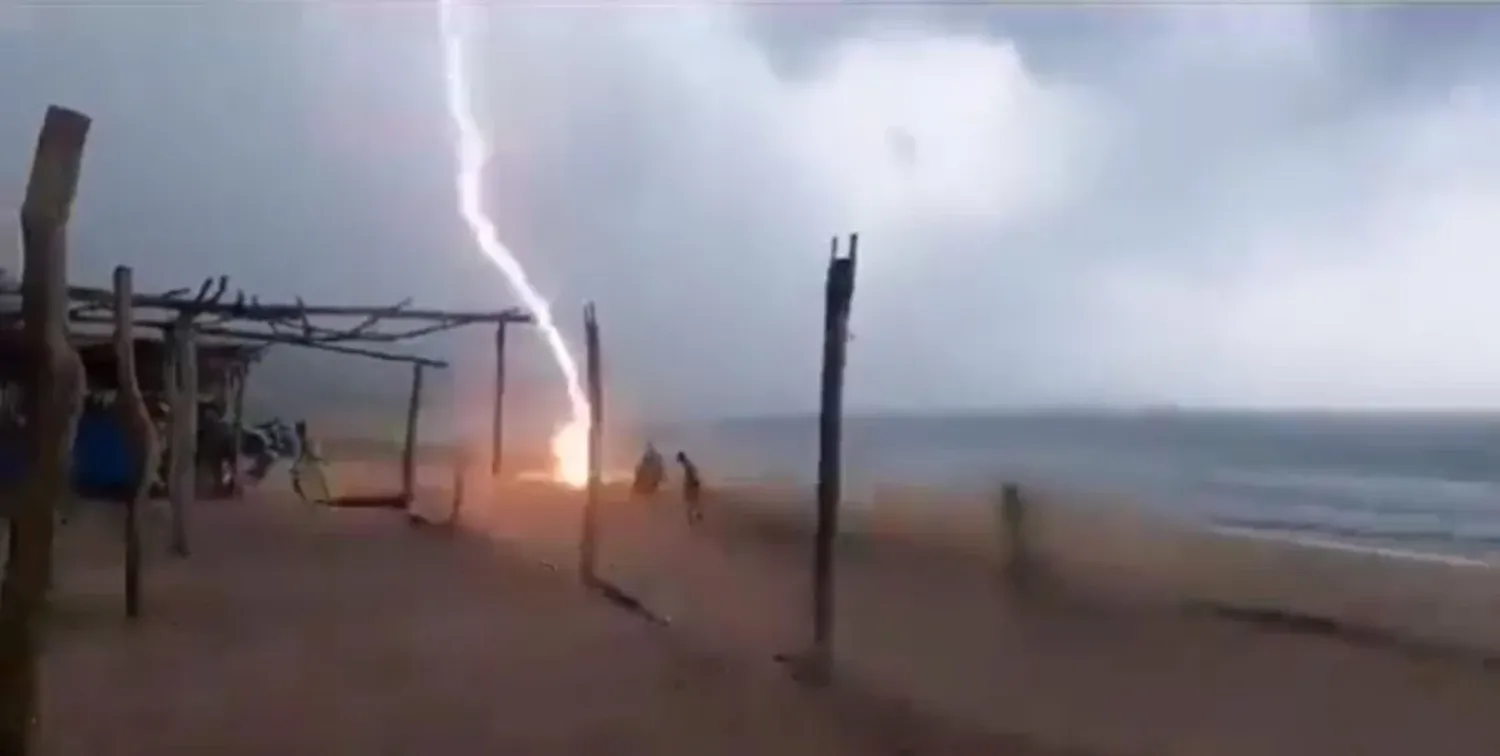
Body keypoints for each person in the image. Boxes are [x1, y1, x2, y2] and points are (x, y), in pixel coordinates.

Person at [676, 450, 703, 525]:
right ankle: (695, 515)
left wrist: (694, 481)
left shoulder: (687, 464)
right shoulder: (688, 464)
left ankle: (692, 520)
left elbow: (692, 472)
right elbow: (694, 472)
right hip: (691, 485)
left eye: (679, 459)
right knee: (691, 504)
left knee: (689, 504)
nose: (679, 462)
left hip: (691, 486)